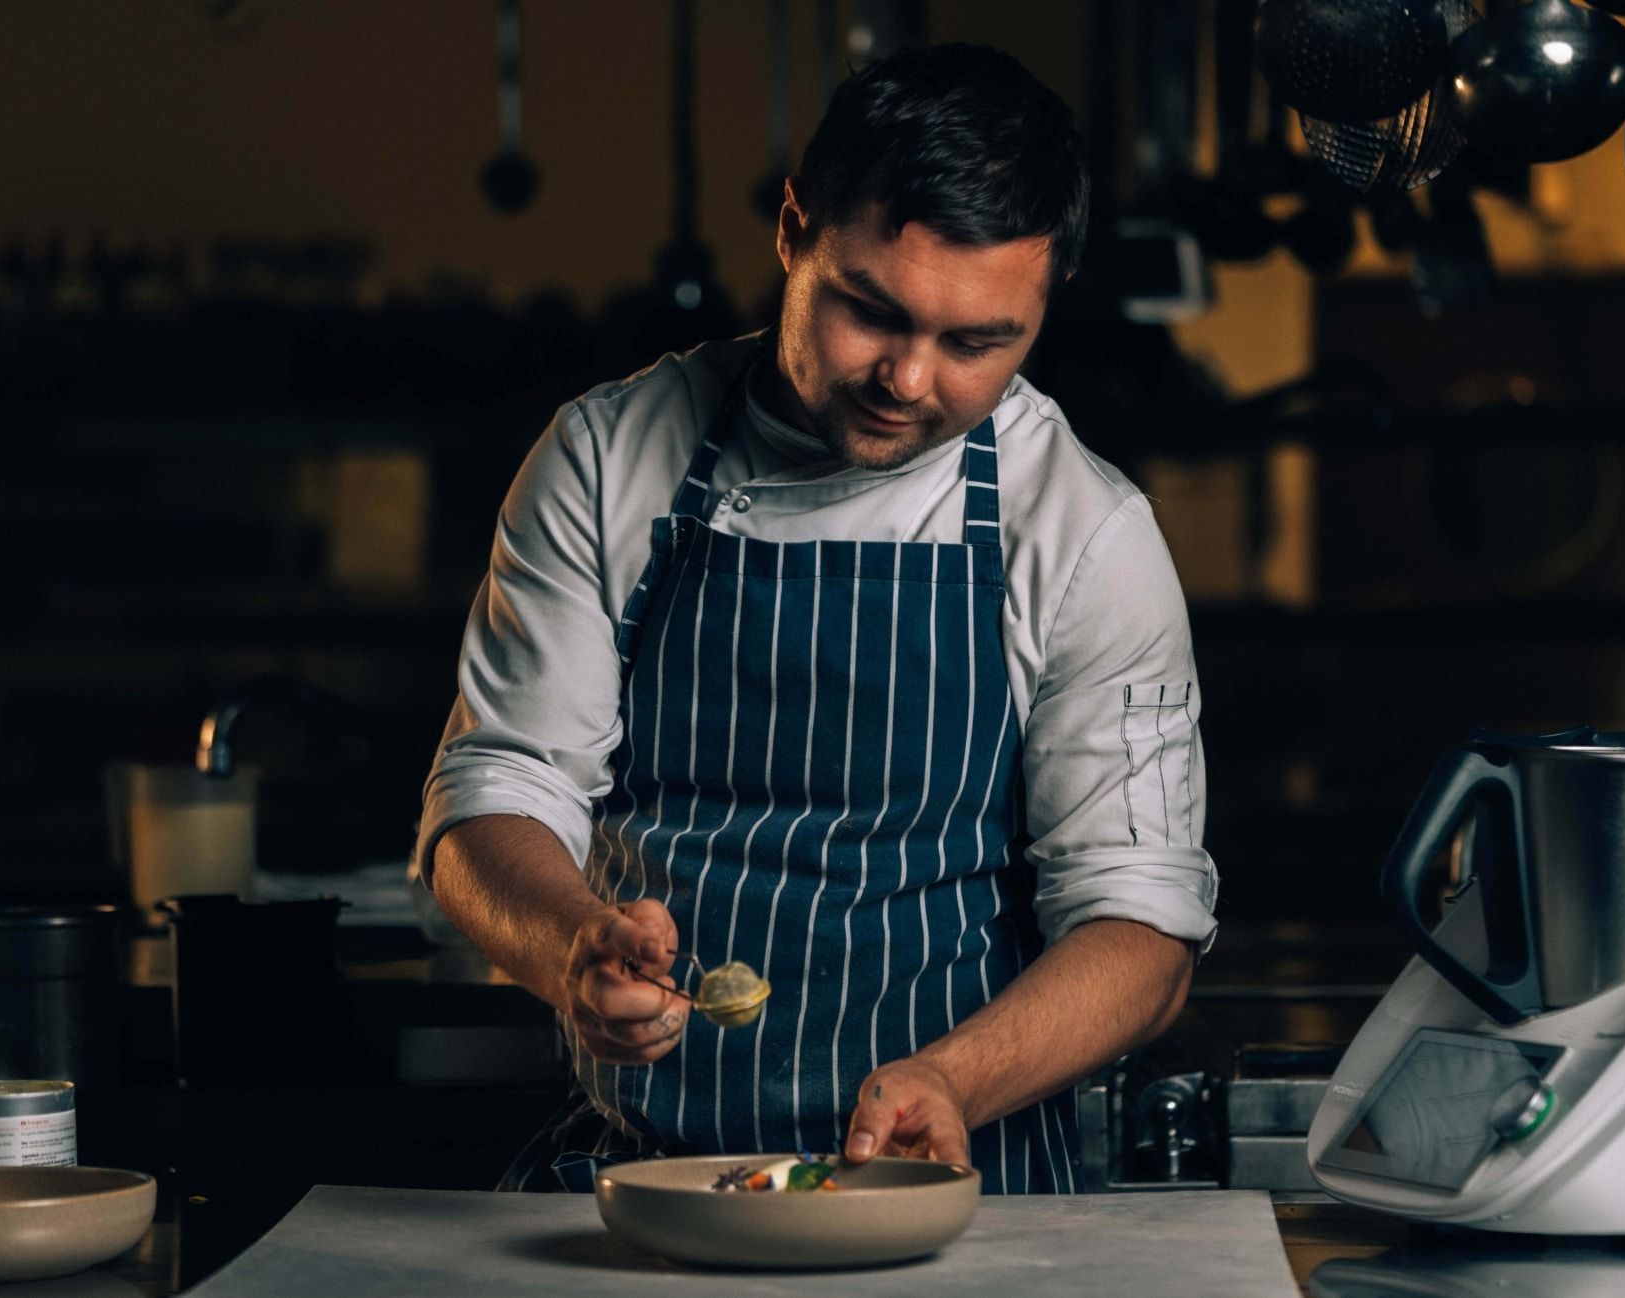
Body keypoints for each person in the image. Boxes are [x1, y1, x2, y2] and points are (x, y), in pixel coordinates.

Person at [415, 42, 1218, 1194]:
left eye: (975, 343)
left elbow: (1140, 931)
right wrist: (568, 947)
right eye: (871, 311)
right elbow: (494, 793)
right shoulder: (606, 457)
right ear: (794, 230)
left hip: (966, 1204)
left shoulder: (1084, 529)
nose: (907, 378)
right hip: (646, 1187)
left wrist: (952, 1077)